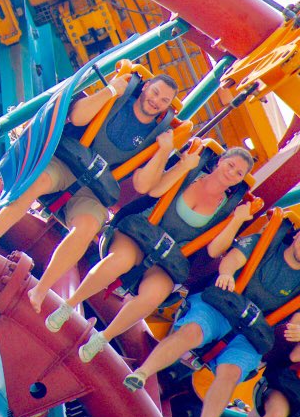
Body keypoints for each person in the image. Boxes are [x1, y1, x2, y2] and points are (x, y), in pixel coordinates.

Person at [0, 71, 181, 313]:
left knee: (88, 227)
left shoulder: (154, 135)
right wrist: (110, 90)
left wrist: (164, 151)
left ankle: (41, 290)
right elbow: (78, 117)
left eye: (164, 100)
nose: (156, 101)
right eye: (155, 92)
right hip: (69, 163)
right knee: (36, 183)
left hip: (95, 189)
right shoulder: (119, 99)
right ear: (145, 88)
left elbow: (144, 186)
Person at [46, 145, 256, 363]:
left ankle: (102, 339)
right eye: (230, 165)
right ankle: (68, 305)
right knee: (121, 261)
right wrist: (183, 166)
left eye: (239, 173)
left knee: (154, 295)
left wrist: (236, 221)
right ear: (220, 161)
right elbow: (156, 191)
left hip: (169, 257)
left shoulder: (227, 208)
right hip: (141, 232)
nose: (231, 173)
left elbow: (214, 250)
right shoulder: (193, 173)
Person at [124, 227, 300, 417]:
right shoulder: (268, 243)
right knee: (192, 333)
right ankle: (142, 373)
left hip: (251, 333)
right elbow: (233, 259)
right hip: (222, 306)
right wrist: (227, 274)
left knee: (231, 373)